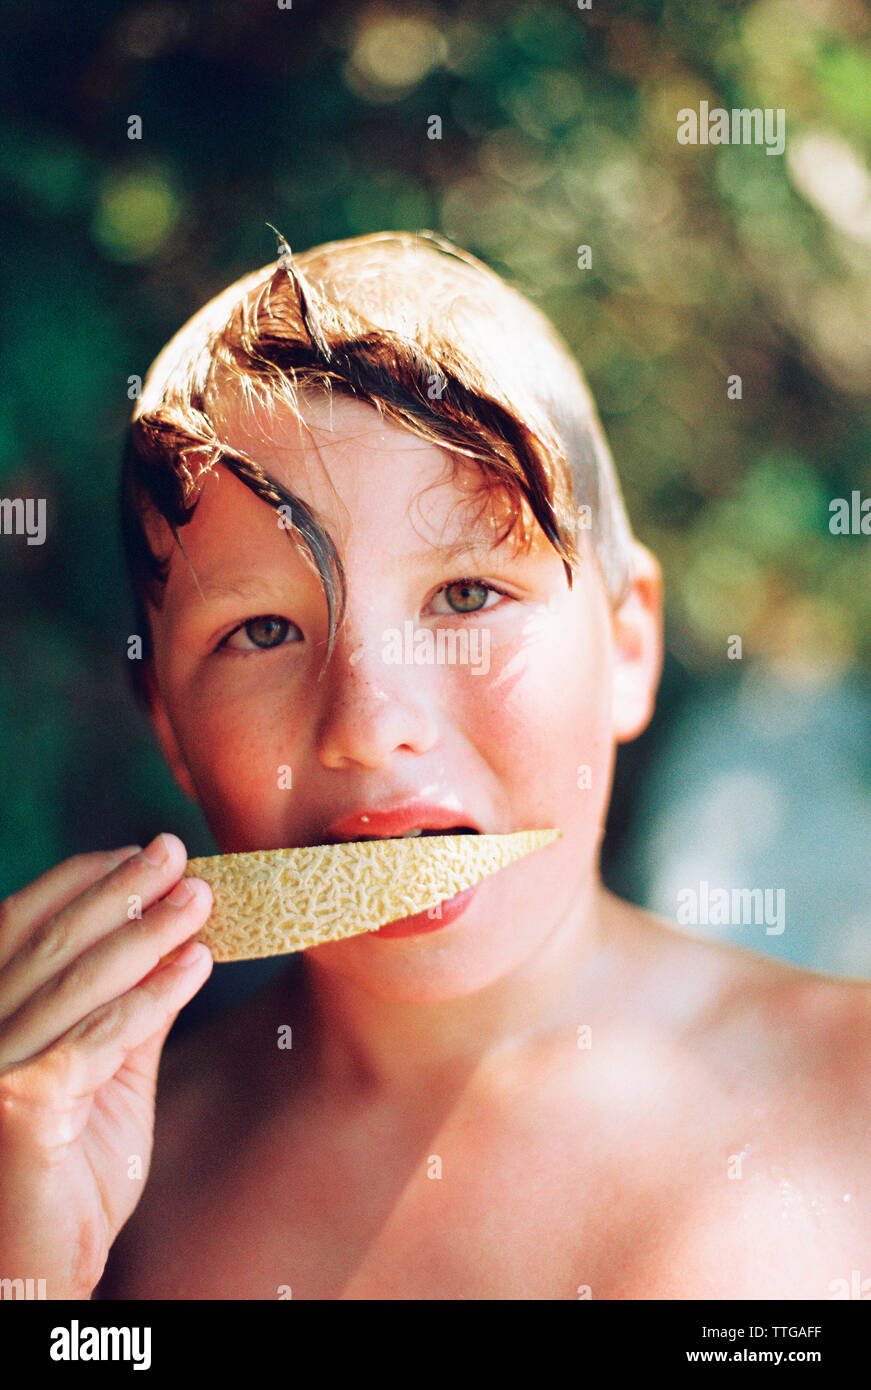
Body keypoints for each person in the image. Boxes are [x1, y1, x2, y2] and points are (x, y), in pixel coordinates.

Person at [1, 231, 868, 1300]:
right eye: (263, 631)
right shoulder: (100, 1169)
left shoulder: (850, 1098)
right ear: (171, 731)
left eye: (467, 597)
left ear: (628, 647)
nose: (368, 724)